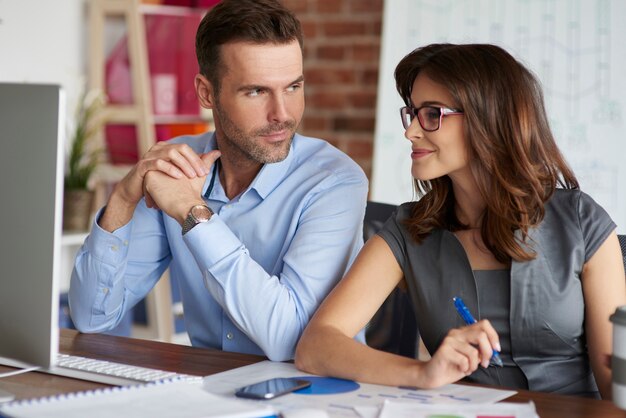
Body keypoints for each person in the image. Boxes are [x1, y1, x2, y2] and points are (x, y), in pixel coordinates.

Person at [295, 43, 626, 398]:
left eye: (433, 114)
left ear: (490, 117)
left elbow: (617, 389)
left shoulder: (580, 222)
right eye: (412, 113)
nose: (411, 132)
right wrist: (423, 372)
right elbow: (316, 346)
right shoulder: (410, 231)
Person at [69, 0, 368, 361]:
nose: (282, 114)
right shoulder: (178, 166)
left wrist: (194, 213)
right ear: (207, 93)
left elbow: (288, 341)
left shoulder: (335, 182)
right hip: (211, 392)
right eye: (256, 91)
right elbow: (91, 318)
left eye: (293, 87)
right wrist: (122, 200)